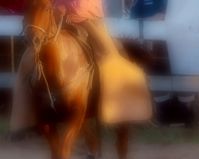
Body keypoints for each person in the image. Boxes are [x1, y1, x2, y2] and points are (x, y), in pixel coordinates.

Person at [10, 0, 149, 134]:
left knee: (112, 54)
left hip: (87, 19)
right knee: (26, 61)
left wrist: (68, 9)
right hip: (55, 19)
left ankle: (121, 107)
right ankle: (23, 119)